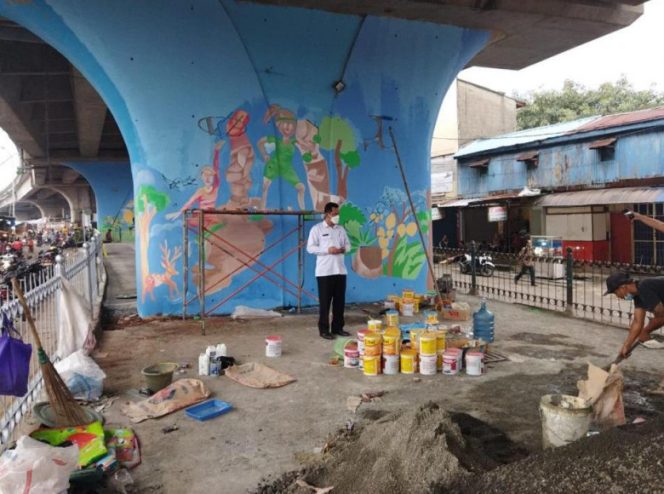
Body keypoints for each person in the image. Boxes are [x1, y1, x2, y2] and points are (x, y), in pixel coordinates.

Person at [604, 272, 664, 390]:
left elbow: (661, 314)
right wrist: (626, 345)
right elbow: (637, 322)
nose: (618, 296)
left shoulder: (644, 287)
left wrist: (645, 332)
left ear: (623, 287)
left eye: (616, 292)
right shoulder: (638, 294)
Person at [306, 202, 351, 340]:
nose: (337, 216)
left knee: (339, 302)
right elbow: (310, 248)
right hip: (324, 272)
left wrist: (343, 249)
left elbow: (348, 245)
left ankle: (338, 327)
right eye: (334, 214)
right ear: (327, 213)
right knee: (325, 303)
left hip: (340, 270)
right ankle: (324, 330)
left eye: (338, 214)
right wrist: (327, 250)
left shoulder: (340, 229)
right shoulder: (317, 229)